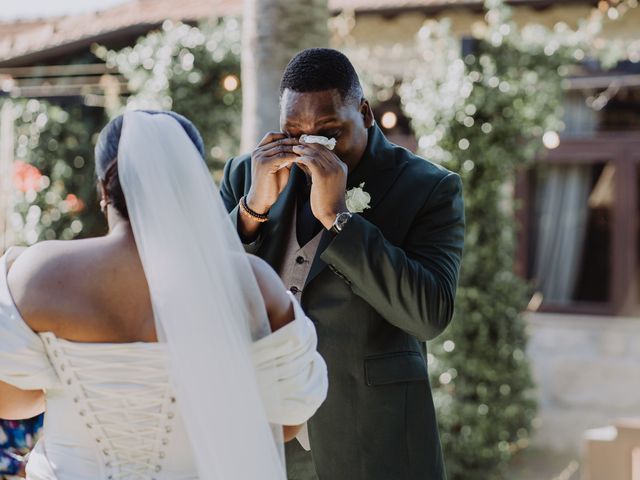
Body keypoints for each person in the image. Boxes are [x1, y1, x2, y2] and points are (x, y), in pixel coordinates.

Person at [0, 110, 328, 479]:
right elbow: (286, 420)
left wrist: (68, 374)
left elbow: (10, 400)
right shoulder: (251, 284)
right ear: (191, 184)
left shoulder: (40, 272)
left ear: (103, 190)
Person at [220, 48, 465, 480]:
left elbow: (430, 313)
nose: (311, 147)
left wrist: (340, 219)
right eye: (295, 133)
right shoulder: (246, 175)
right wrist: (251, 212)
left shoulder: (430, 188)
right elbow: (205, 294)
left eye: (330, 133)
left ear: (365, 114)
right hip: (262, 437)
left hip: (373, 440)